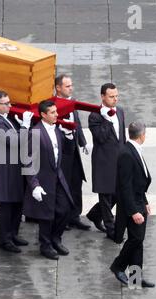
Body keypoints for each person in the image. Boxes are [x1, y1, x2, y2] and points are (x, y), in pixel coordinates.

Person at [23, 100, 75, 260]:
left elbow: (65, 152)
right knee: (46, 215)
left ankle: (56, 239)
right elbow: (27, 161)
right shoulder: (36, 132)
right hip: (43, 179)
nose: (57, 115)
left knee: (65, 208)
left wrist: (68, 136)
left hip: (58, 177)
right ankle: (45, 245)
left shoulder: (57, 131)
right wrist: (34, 185)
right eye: (52, 112)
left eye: (56, 111)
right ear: (43, 115)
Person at [0, 90, 31, 253]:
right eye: (6, 103)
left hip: (14, 167)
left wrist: (20, 126)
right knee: (6, 206)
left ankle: (13, 233)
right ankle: (5, 240)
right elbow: (13, 142)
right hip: (5, 169)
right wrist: (25, 126)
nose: (10, 106)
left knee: (17, 202)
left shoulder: (5, 119)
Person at [110, 121, 154, 288]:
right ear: (142, 135)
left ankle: (136, 278)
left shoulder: (132, 149)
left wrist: (145, 202)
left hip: (139, 202)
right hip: (133, 206)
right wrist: (134, 211)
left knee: (138, 241)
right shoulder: (127, 154)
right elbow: (125, 186)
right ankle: (118, 266)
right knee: (136, 239)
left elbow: (138, 181)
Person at [86, 83, 126, 240]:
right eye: (111, 96)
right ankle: (111, 229)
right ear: (103, 96)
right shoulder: (95, 116)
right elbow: (100, 138)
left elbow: (122, 137)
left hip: (119, 160)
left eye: (116, 96)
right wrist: (107, 119)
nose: (115, 99)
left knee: (118, 193)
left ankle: (95, 214)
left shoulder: (120, 111)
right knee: (106, 195)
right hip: (103, 162)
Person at [54, 74, 90, 230]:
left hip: (73, 150)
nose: (71, 88)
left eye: (71, 85)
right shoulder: (52, 104)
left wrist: (83, 142)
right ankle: (63, 217)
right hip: (62, 151)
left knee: (76, 182)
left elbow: (78, 124)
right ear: (58, 88)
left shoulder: (71, 103)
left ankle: (75, 216)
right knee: (63, 185)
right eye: (67, 86)